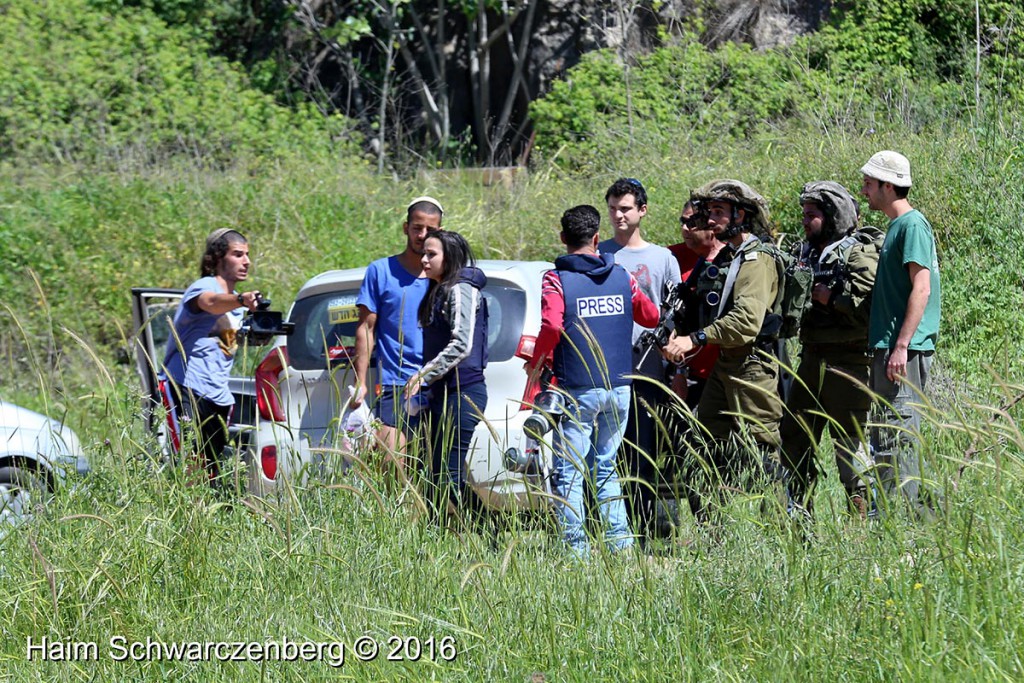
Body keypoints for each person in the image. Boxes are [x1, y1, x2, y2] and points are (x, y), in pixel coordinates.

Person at [525, 205, 659, 555]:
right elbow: (651, 315)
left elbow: (553, 325)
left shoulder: (556, 279)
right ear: (597, 238)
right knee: (607, 466)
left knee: (569, 471)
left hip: (578, 388)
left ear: (563, 239)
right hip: (620, 387)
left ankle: (576, 552)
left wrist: (538, 362)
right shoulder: (622, 276)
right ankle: (621, 546)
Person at [661, 180, 783, 524]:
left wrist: (695, 339)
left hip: (752, 366)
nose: (710, 220)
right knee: (702, 446)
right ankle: (713, 533)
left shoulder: (757, 259)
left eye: (718, 213)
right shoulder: (731, 256)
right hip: (728, 365)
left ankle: (779, 531)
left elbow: (746, 321)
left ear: (740, 215)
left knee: (764, 454)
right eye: (708, 212)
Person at [779, 181, 882, 517]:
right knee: (795, 438)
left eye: (813, 215)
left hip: (848, 361)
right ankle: (799, 517)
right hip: (811, 359)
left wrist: (833, 299)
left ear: (833, 215)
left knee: (849, 444)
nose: (806, 221)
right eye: (804, 214)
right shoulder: (807, 253)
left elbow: (873, 309)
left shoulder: (858, 252)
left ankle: (860, 525)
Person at [860, 151, 942, 518]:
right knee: (886, 434)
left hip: (902, 352)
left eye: (869, 183)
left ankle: (908, 530)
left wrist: (902, 345)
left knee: (899, 434)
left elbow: (921, 288)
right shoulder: (896, 228)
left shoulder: (912, 226)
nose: (864, 190)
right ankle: (906, 519)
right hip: (890, 349)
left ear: (887, 186)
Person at [599, 177, 682, 541]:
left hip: (648, 361)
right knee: (605, 449)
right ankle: (607, 528)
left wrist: (676, 364)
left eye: (626, 208)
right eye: (613, 208)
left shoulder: (662, 257)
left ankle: (646, 527)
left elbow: (674, 314)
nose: (618, 215)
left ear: (642, 211)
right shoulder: (600, 254)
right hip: (604, 361)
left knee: (643, 446)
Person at [161, 228, 263, 487]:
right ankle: (187, 518)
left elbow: (229, 344)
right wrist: (241, 299)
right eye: (238, 254)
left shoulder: (235, 308)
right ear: (218, 258)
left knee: (211, 468)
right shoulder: (204, 287)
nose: (246, 261)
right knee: (188, 463)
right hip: (185, 387)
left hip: (218, 394)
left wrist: (262, 333)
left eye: (247, 255)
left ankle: (205, 516)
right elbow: (209, 302)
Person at [351, 196, 442, 475]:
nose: (422, 235)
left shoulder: (444, 275)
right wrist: (360, 381)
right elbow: (366, 328)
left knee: (440, 472)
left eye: (430, 229)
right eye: (417, 227)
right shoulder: (380, 271)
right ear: (405, 228)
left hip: (438, 382)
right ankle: (399, 520)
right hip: (396, 384)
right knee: (393, 465)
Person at [404, 231, 489, 523]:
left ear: (449, 257)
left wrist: (423, 375)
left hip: (464, 393)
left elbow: (462, 345)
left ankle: (491, 535)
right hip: (441, 394)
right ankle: (437, 538)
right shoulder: (437, 290)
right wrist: (427, 391)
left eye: (432, 254)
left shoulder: (461, 290)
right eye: (423, 253)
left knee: (449, 478)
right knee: (433, 477)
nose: (424, 259)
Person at [668, 199, 724, 409]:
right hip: (689, 373)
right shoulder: (672, 257)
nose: (684, 228)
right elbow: (671, 322)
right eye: (682, 221)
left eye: (691, 223)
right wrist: (679, 371)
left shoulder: (733, 258)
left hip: (728, 370)